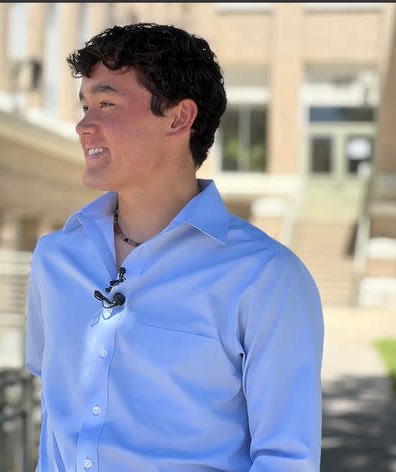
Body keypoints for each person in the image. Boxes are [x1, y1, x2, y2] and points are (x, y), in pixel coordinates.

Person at [26, 23, 324, 472]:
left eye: (106, 103)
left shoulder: (266, 278)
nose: (83, 125)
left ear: (179, 118)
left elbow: (286, 460)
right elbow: (56, 422)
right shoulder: (54, 259)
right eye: (84, 105)